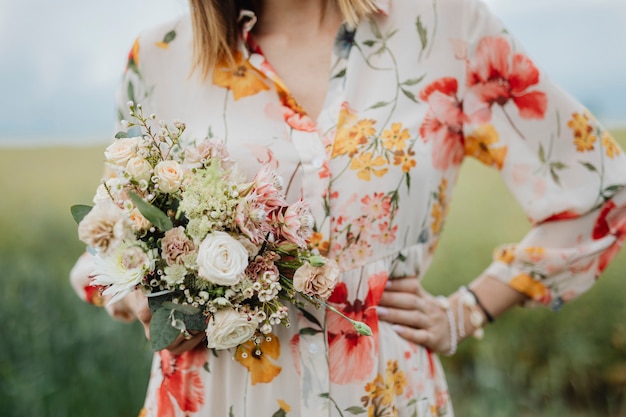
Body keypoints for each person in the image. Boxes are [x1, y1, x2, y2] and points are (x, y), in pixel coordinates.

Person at [70, 0, 626, 415]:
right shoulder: (164, 54)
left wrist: (467, 310)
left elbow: (602, 189)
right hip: (212, 395)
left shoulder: (444, 28)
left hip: (384, 391)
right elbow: (111, 239)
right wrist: (146, 296)